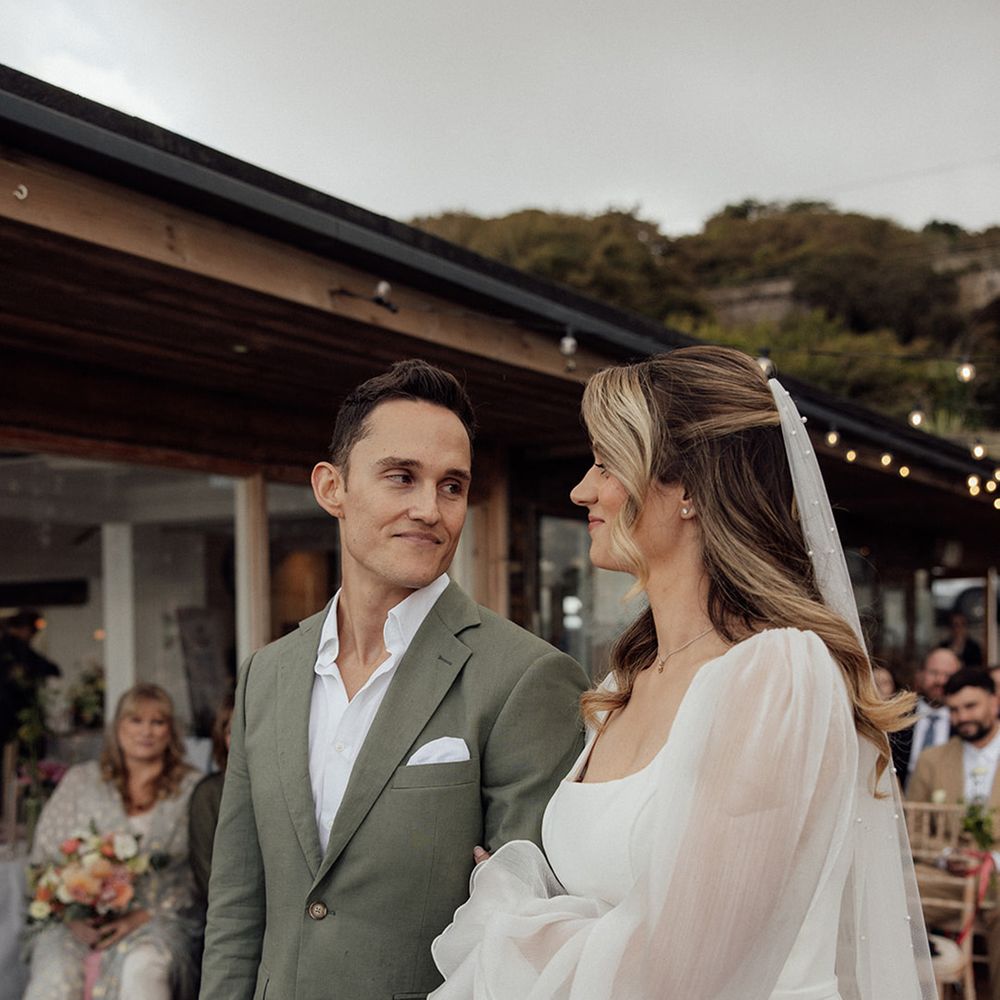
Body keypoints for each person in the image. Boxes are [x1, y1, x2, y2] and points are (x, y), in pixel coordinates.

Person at [430, 346, 934, 1000]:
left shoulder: (775, 680)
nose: (583, 489)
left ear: (690, 489)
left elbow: (679, 974)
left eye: (606, 463)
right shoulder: (626, 680)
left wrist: (508, 928)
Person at [199, 360, 587, 1000]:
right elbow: (238, 902)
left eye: (453, 486)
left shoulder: (527, 677)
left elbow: (529, 936)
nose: (429, 509)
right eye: (401, 477)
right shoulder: (266, 675)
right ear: (332, 488)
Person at [24, 683, 202, 1000]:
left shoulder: (192, 787)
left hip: (161, 917)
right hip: (77, 923)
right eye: (135, 720)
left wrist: (144, 915)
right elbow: (45, 860)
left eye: (157, 722)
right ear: (118, 726)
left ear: (170, 731)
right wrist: (71, 915)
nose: (145, 731)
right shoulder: (81, 780)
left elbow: (203, 871)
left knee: (142, 968)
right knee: (54, 975)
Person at [907, 667, 1000, 1000]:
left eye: (971, 706)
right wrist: (945, 857)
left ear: (994, 700)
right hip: (944, 880)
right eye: (955, 710)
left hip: (998, 882)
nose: (963, 717)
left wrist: (992, 860)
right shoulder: (933, 760)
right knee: (895, 895)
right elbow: (911, 829)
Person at [893, 647, 962, 787]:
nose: (940, 681)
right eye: (934, 672)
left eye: (948, 675)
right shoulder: (898, 715)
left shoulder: (966, 720)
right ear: (920, 675)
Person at [188, 697, 233, 906]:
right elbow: (207, 876)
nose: (243, 738)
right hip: (231, 916)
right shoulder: (209, 793)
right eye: (232, 732)